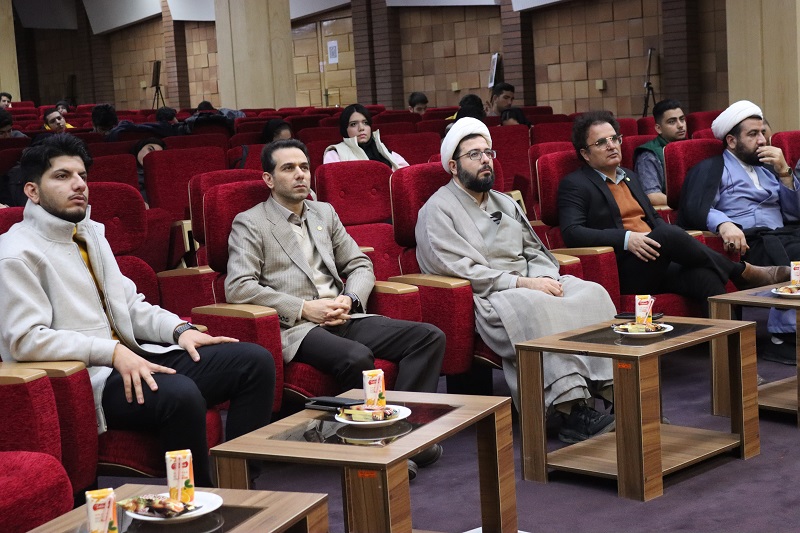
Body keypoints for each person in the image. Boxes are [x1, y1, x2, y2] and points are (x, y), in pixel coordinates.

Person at [0, 134, 276, 488]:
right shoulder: (16, 252)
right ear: (32, 191)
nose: (79, 184)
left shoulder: (89, 234)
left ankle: (239, 484)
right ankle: (196, 503)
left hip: (135, 355)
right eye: (62, 176)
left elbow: (130, 305)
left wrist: (180, 330)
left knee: (254, 361)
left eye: (82, 175)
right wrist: (112, 353)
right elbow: (25, 340)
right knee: (181, 395)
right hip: (88, 379)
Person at [226, 138, 445, 474]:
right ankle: (371, 445)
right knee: (356, 357)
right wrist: (303, 308)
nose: (300, 174)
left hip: (342, 314)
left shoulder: (324, 212)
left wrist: (350, 298)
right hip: (297, 326)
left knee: (428, 337)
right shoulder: (251, 222)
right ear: (268, 179)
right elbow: (239, 286)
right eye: (288, 168)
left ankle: (406, 434)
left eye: (304, 167)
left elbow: (360, 264)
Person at [415, 117, 616, 443]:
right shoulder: (436, 210)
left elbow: (534, 250)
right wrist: (522, 284)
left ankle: (614, 391)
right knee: (538, 306)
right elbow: (454, 267)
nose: (485, 160)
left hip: (534, 281)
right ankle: (571, 411)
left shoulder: (504, 202)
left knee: (593, 293)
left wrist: (544, 277)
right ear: (453, 166)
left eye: (488, 153)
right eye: (474, 155)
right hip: (491, 294)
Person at [557, 110, 787, 313]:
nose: (611, 146)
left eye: (614, 138)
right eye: (601, 142)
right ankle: (741, 272)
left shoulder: (629, 176)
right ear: (585, 154)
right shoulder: (575, 184)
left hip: (657, 260)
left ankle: (729, 344)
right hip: (625, 268)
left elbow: (654, 219)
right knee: (668, 233)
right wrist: (627, 239)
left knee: (706, 276)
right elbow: (572, 232)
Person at [678, 100, 800, 358]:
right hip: (752, 242)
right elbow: (696, 208)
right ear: (732, 141)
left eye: (763, 133)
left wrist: (785, 173)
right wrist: (724, 223)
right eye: (752, 134)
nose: (762, 140)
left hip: (784, 235)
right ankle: (785, 334)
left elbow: (793, 214)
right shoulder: (713, 168)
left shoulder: (769, 169)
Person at [633, 99, 687, 205]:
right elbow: (652, 196)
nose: (680, 125)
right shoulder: (648, 155)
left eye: (682, 119)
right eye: (672, 122)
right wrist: (689, 203)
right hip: (671, 211)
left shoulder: (691, 146)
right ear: (659, 128)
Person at [323, 104, 409, 170]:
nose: (361, 128)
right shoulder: (335, 154)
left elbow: (405, 174)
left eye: (365, 123)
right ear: (345, 129)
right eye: (353, 124)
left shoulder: (382, 150)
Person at [130, 136, 166, 203]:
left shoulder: (159, 177)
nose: (150, 155)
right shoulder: (124, 171)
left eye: (156, 154)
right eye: (150, 149)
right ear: (140, 148)